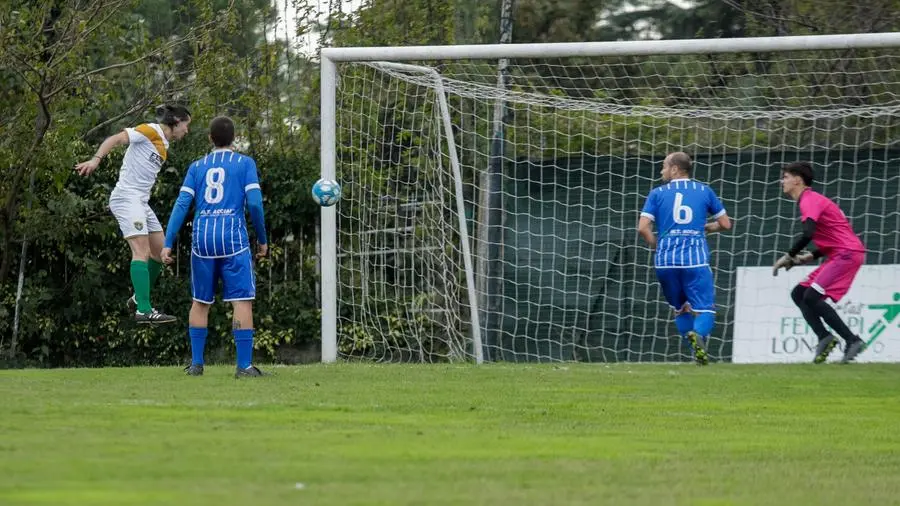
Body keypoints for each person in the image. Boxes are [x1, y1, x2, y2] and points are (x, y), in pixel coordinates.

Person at [160, 116, 268, 378]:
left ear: (210, 138)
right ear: (234, 138)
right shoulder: (244, 163)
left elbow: (182, 205)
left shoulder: (197, 167)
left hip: (202, 241)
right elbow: (254, 203)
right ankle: (243, 367)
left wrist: (168, 242)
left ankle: (196, 365)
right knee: (241, 301)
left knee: (200, 301)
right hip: (233, 240)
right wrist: (263, 239)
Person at [75, 104, 191, 323]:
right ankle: (144, 311)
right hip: (127, 197)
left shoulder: (163, 143)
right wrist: (95, 160)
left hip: (141, 202)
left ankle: (138, 298)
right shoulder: (150, 130)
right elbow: (115, 139)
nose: (187, 130)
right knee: (141, 251)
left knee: (159, 253)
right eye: (186, 125)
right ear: (176, 122)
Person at [638, 152, 732, 365]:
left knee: (680, 308)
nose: (661, 171)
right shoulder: (704, 190)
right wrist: (707, 227)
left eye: (663, 166)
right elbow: (726, 224)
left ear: (674, 169)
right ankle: (697, 336)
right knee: (705, 307)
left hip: (665, 261)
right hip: (695, 259)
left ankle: (698, 354)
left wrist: (656, 244)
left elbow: (643, 227)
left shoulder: (657, 193)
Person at [772, 161, 867, 364]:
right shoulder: (811, 200)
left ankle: (852, 340)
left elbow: (809, 233)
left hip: (847, 254)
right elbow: (833, 237)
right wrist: (809, 257)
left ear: (798, 180)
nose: (783, 181)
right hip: (840, 252)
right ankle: (824, 337)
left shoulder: (809, 200)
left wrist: (789, 255)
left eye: (786, 177)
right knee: (799, 293)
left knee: (812, 296)